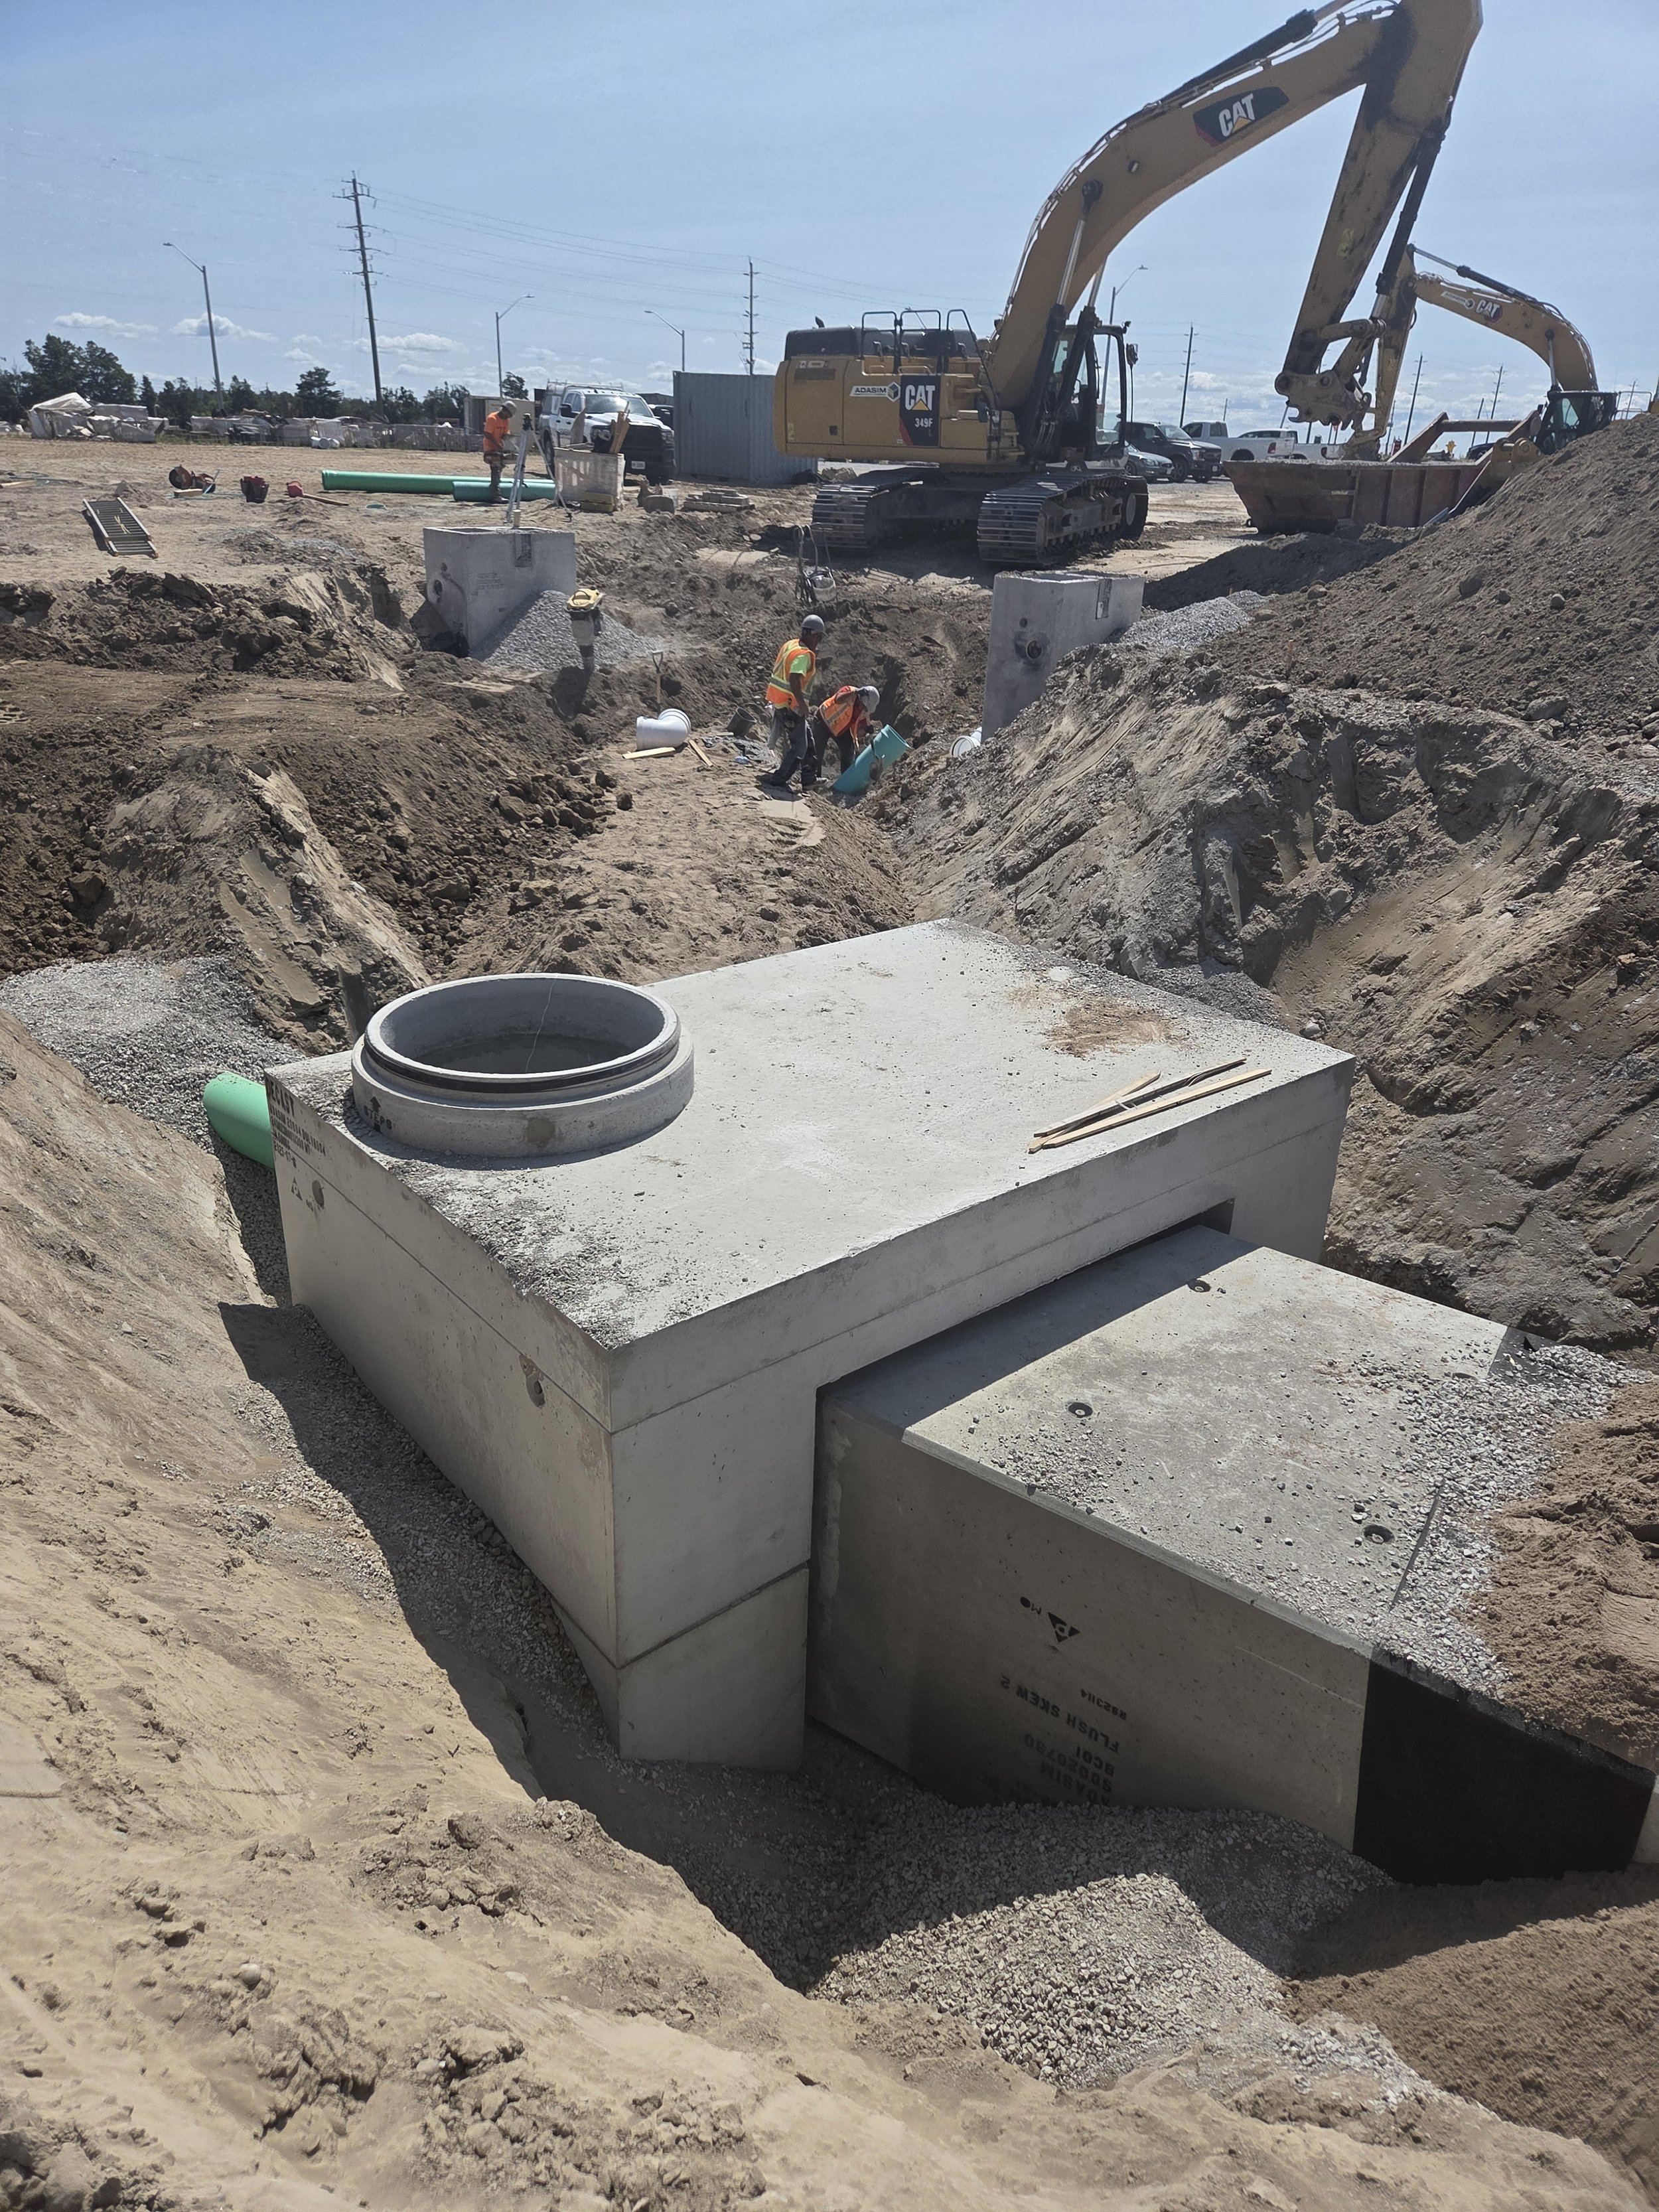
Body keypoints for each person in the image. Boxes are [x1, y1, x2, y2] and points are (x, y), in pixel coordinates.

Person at [759, 615, 825, 791]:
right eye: (819, 637)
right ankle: (779, 779)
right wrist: (803, 704)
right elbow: (794, 677)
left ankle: (809, 779)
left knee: (808, 739)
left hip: (780, 702)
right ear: (812, 634)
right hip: (791, 706)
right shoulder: (804, 655)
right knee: (800, 748)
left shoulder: (791, 645)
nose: (818, 642)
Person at [803, 684, 881, 786]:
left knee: (848, 750)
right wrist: (855, 692)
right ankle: (812, 780)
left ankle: (846, 780)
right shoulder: (849, 691)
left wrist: (866, 730)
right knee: (817, 753)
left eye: (866, 708)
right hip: (823, 720)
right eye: (864, 706)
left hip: (840, 729)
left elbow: (857, 733)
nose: (864, 708)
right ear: (862, 698)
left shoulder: (863, 711)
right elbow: (838, 699)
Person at [482, 402, 514, 502]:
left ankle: (495, 486)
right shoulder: (492, 418)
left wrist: (504, 443)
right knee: (496, 467)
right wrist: (497, 445)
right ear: (504, 410)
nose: (508, 417)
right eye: (508, 414)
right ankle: (496, 495)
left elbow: (505, 434)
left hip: (499, 448)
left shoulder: (506, 421)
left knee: (500, 468)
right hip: (490, 449)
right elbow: (488, 434)